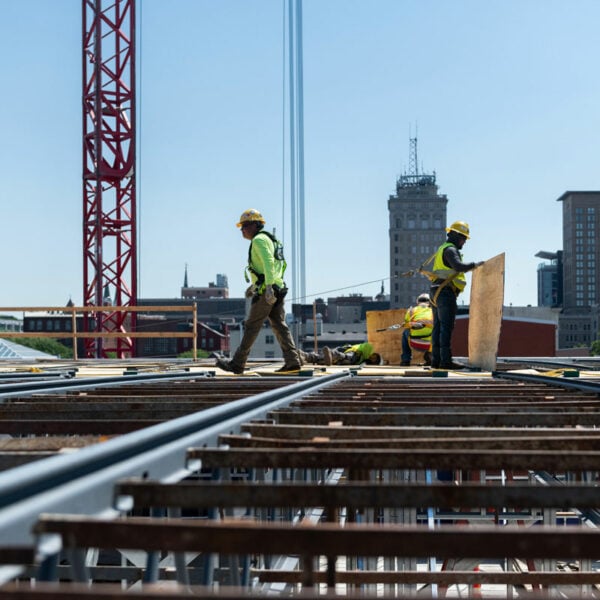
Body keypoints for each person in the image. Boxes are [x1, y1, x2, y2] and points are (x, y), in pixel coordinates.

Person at [215, 209, 302, 374]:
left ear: (256, 225)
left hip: (268, 291)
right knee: (279, 325)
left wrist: (267, 288)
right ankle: (292, 360)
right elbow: (277, 266)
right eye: (241, 227)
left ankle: (237, 363)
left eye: (246, 225)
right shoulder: (270, 239)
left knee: (252, 326)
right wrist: (256, 285)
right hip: (277, 287)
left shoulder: (259, 240)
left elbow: (269, 263)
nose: (242, 230)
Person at [423, 220, 483, 370]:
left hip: (436, 291)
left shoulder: (442, 248)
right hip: (445, 292)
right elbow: (458, 266)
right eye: (463, 238)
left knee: (438, 327)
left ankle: (436, 361)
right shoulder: (450, 250)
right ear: (455, 235)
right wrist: (475, 265)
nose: (464, 242)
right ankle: (445, 361)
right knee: (446, 328)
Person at [400, 293, 433, 366]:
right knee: (437, 332)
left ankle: (405, 360)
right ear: (430, 302)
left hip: (414, 343)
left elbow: (406, 324)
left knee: (405, 332)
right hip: (429, 346)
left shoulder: (411, 310)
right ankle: (433, 358)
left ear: (418, 302)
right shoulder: (434, 311)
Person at [299, 342, 382, 366]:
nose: (372, 358)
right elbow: (367, 347)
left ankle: (305, 356)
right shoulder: (367, 349)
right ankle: (331, 353)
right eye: (374, 356)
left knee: (320, 359)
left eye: (374, 360)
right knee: (348, 357)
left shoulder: (364, 360)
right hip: (350, 352)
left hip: (342, 357)